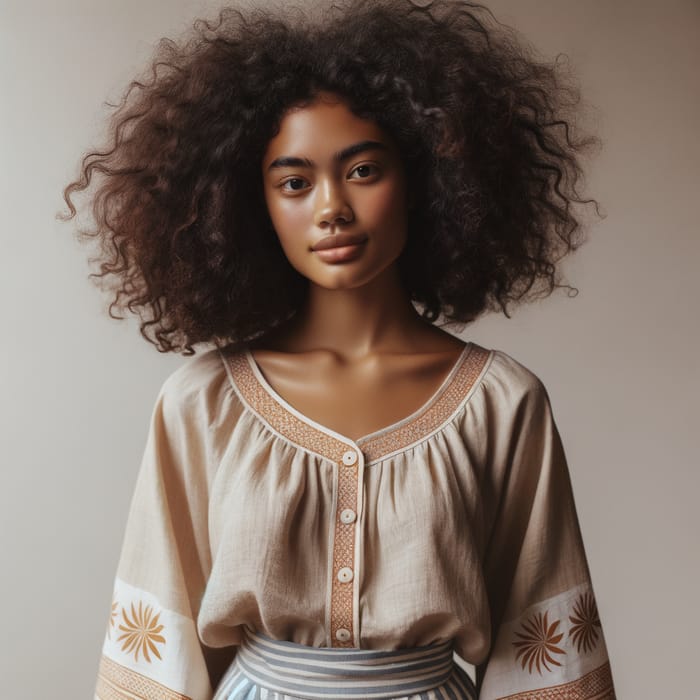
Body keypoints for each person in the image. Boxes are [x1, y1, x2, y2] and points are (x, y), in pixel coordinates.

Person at [63, 0, 616, 697]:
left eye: (362, 171)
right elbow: (156, 650)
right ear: (248, 204)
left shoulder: (502, 403)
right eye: (294, 183)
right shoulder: (202, 402)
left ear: (424, 181)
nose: (331, 208)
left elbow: (546, 653)